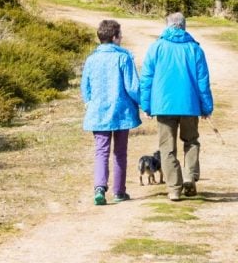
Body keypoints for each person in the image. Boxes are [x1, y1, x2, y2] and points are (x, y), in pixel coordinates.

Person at [140, 12, 214, 201]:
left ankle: (174, 188)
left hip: (163, 105)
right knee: (191, 141)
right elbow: (203, 81)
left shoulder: (156, 47)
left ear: (167, 26)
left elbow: (146, 78)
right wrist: (206, 107)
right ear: (184, 26)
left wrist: (146, 105)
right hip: (190, 105)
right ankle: (189, 177)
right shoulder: (195, 49)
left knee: (167, 148)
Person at [81, 19, 141, 206]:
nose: (122, 38)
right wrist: (144, 103)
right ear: (114, 37)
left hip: (97, 112)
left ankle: (99, 188)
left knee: (101, 151)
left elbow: (85, 87)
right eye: (120, 35)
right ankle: (119, 191)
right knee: (120, 152)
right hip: (120, 112)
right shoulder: (123, 58)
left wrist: (89, 102)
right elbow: (132, 87)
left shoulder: (91, 59)